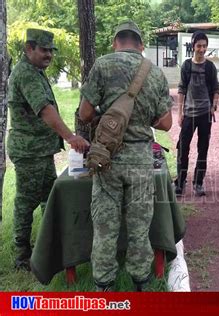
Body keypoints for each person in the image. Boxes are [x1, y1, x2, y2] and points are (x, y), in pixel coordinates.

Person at [79, 21, 173, 291]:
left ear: (115, 42)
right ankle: (140, 284)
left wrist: (108, 118)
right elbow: (166, 124)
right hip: (142, 162)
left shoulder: (102, 65)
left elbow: (85, 114)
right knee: (139, 227)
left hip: (107, 159)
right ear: (141, 45)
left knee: (106, 228)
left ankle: (104, 288)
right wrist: (141, 120)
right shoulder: (154, 73)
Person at [7, 28, 89, 271]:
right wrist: (71, 137)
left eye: (51, 51)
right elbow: (45, 110)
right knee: (26, 201)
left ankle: (49, 246)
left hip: (40, 150)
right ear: (28, 48)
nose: (49, 55)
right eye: (43, 50)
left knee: (48, 198)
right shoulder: (27, 74)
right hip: (29, 151)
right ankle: (22, 254)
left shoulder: (35, 71)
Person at [175, 31, 219, 197]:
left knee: (203, 149)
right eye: (199, 46)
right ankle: (180, 182)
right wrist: (179, 113)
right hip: (189, 114)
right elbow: (181, 89)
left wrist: (213, 107)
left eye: (204, 46)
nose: (201, 49)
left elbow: (216, 90)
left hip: (205, 115)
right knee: (182, 148)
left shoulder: (210, 67)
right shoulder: (186, 66)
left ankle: (198, 183)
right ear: (193, 46)